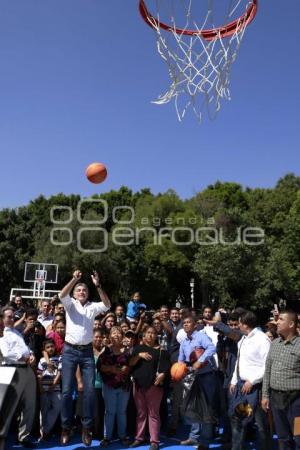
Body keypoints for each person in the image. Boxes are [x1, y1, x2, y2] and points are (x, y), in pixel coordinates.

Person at [59, 269, 111, 446]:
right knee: (66, 390)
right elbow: (62, 294)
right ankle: (66, 427)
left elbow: (107, 305)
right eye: (78, 290)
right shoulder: (70, 303)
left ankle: (86, 428)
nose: (81, 292)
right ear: (74, 293)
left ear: (88, 293)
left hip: (87, 352)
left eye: (84, 290)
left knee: (89, 391)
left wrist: (98, 285)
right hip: (69, 351)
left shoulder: (93, 306)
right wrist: (74, 280)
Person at [229, 311, 272, 450]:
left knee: (260, 424)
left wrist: (252, 381)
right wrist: (234, 380)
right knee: (238, 419)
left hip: (257, 389)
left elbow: (267, 365)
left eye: (240, 323)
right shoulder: (243, 339)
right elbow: (239, 361)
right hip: (241, 387)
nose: (238, 326)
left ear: (246, 325)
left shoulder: (262, 339)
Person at [262, 311, 300, 450]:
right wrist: (265, 395)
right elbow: (267, 371)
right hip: (276, 400)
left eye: (281, 320)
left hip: (296, 402)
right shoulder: (275, 344)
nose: (277, 322)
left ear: (291, 324)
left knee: (298, 436)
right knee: (283, 438)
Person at [178, 315, 218, 450]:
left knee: (206, 409)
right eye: (184, 323)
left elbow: (212, 348)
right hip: (192, 378)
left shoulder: (201, 336)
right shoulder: (184, 342)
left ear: (195, 325)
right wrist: (178, 370)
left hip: (207, 376)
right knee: (193, 408)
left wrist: (200, 361)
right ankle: (194, 437)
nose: (186, 324)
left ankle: (205, 442)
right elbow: (180, 361)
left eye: (189, 322)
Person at [0, 306, 37, 448]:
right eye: (8, 316)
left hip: (27, 370)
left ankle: (24, 437)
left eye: (12, 316)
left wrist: (31, 354)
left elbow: (25, 348)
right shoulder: (2, 334)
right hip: (12, 371)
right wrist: (23, 358)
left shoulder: (17, 332)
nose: (11, 318)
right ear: (2, 319)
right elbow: (7, 353)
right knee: (8, 407)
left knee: (30, 405)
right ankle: (1, 437)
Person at [129, 326, 171, 450]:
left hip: (154, 386)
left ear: (156, 336)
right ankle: (139, 438)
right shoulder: (138, 349)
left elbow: (166, 368)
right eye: (148, 333)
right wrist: (139, 356)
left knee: (153, 414)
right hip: (138, 385)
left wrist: (163, 374)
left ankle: (154, 441)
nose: (151, 335)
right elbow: (130, 363)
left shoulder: (162, 351)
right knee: (141, 414)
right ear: (144, 335)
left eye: (153, 333)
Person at [98, 326, 131, 447]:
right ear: (109, 336)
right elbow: (99, 366)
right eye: (113, 333)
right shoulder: (106, 350)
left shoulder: (128, 351)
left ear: (122, 336)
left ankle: (122, 436)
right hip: (109, 385)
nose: (116, 335)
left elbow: (132, 366)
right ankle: (107, 437)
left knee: (122, 412)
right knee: (109, 412)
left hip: (124, 386)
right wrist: (112, 369)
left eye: (118, 333)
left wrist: (127, 369)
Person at [37, 338, 62, 441]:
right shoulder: (42, 360)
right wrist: (40, 388)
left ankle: (46, 430)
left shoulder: (59, 358)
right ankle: (43, 433)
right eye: (48, 347)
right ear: (44, 349)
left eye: (52, 346)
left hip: (55, 388)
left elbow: (60, 372)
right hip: (44, 389)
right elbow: (38, 375)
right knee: (44, 410)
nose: (50, 348)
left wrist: (54, 383)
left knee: (58, 407)